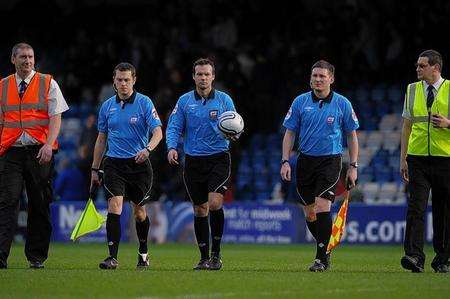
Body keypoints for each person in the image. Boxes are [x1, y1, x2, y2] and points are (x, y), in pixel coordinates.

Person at [280, 60, 359, 272]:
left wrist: (353, 165)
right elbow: (289, 133)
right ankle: (326, 247)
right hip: (305, 161)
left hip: (330, 161)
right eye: (314, 76)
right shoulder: (299, 102)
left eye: (322, 76)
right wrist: (285, 160)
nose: (317, 80)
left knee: (323, 206)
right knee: (310, 213)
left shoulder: (343, 104)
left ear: (331, 79)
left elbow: (351, 136)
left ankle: (320, 259)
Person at [166, 58, 240, 270]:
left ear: (213, 76)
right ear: (193, 76)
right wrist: (171, 147)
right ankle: (203, 257)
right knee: (199, 209)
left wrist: (235, 134)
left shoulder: (224, 100)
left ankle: (216, 255)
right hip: (193, 161)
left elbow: (235, 124)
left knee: (215, 203)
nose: (203, 78)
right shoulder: (184, 102)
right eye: (199, 74)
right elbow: (173, 127)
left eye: (207, 74)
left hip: (219, 158)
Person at [0, 43, 69, 269]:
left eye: (30, 57)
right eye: (22, 57)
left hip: (40, 152)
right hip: (10, 151)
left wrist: (49, 145)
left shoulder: (47, 82)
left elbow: (56, 117)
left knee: (39, 203)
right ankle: (1, 257)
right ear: (13, 59)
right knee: (7, 202)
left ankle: (36, 257)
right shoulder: (3, 86)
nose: (27, 61)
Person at [90, 62, 162, 270]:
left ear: (134, 81)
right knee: (115, 206)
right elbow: (101, 139)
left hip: (139, 164)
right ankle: (112, 257)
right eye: (119, 80)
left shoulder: (144, 103)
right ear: (114, 81)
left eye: (127, 80)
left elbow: (158, 132)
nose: (123, 84)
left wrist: (147, 149)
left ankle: (143, 252)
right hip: (113, 164)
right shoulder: (106, 107)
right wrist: (95, 168)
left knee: (139, 212)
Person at [400, 49, 450, 273]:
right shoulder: (411, 90)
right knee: (416, 207)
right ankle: (414, 256)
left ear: (435, 68)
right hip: (417, 158)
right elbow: (406, 126)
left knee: (444, 210)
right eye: (417, 65)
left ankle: (443, 258)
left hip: (445, 158)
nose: (417, 69)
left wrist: (448, 123)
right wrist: (403, 159)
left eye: (422, 66)